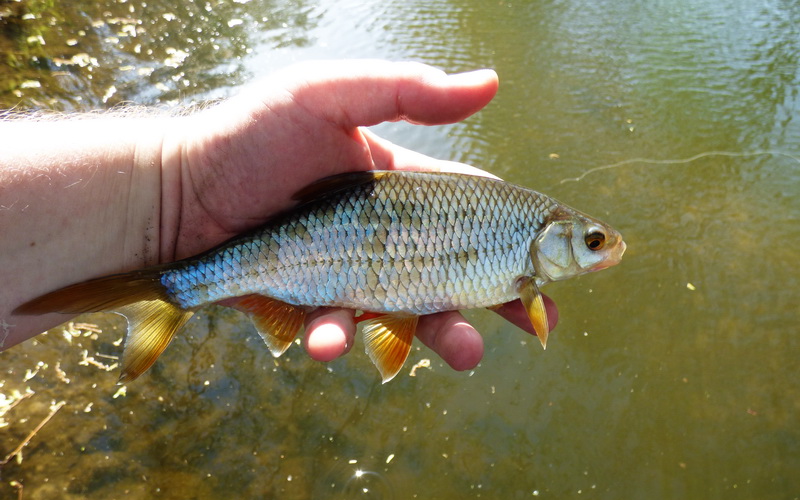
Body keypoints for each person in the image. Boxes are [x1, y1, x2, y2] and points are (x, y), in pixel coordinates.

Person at [0, 59, 556, 372]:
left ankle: (168, 289)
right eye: (592, 242)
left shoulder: (519, 250)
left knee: (404, 323)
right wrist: (175, 191)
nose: (596, 253)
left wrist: (169, 193)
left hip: (336, 263)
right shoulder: (521, 264)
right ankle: (170, 290)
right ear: (550, 238)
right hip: (327, 252)